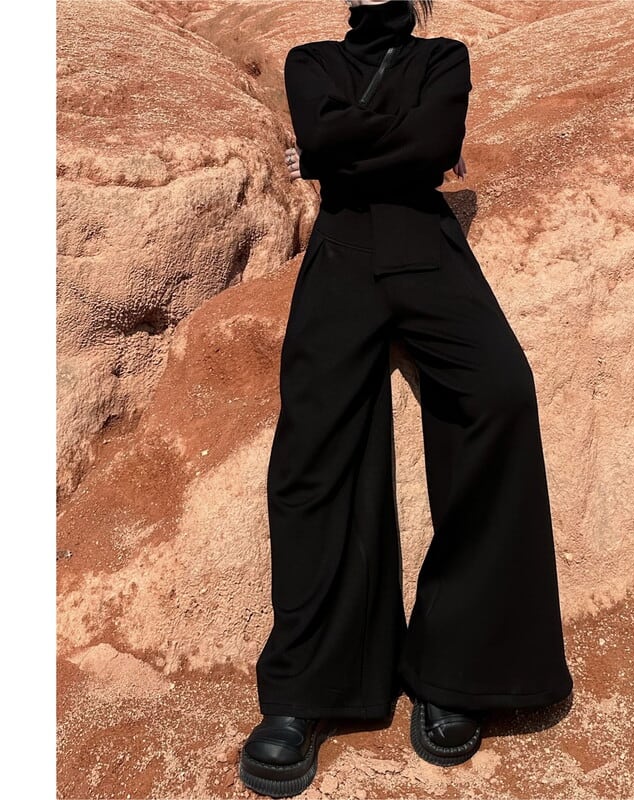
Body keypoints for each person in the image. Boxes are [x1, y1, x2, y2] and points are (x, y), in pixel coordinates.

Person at [238, 1, 574, 796]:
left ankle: (459, 666)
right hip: (343, 253)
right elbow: (394, 144)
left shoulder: (444, 56)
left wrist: (341, 146)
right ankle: (306, 689)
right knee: (312, 445)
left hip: (428, 247)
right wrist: (390, 140)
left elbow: (422, 143)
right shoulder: (310, 60)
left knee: (500, 392)